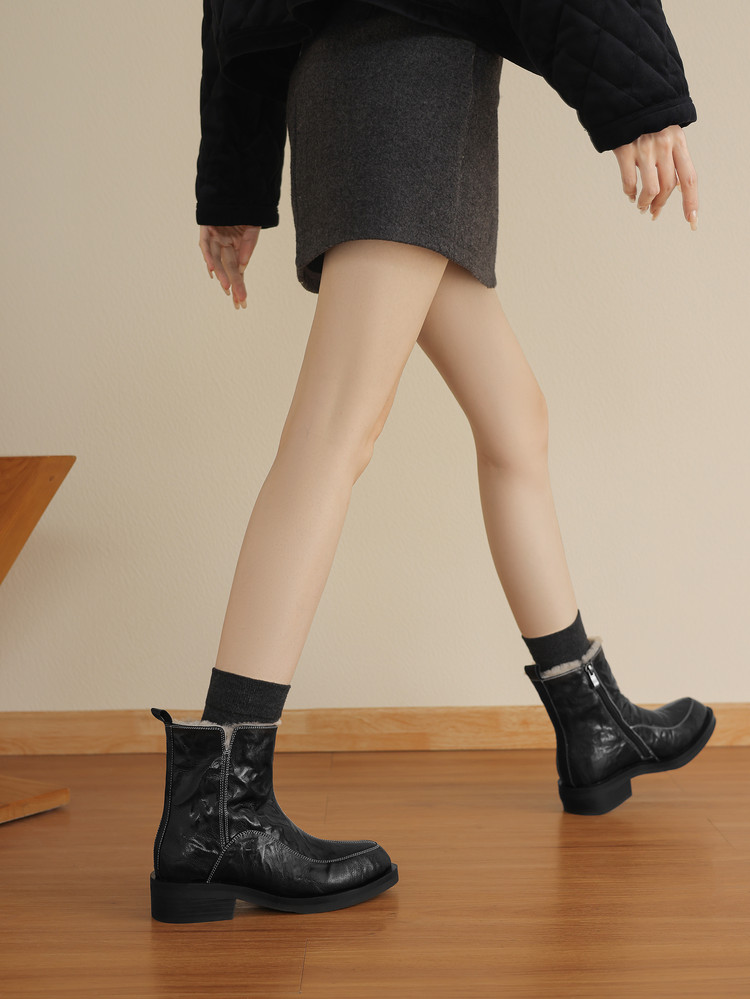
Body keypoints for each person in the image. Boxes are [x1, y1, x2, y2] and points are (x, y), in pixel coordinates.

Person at [148, 1, 714, 924]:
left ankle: (593, 722)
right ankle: (218, 811)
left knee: (515, 417)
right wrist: (637, 91)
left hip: (362, 81)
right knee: (335, 432)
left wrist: (235, 181)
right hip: (404, 81)